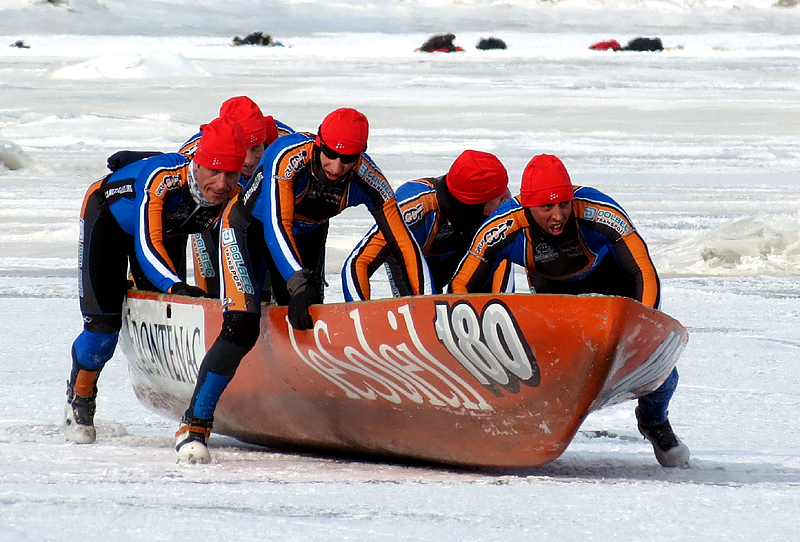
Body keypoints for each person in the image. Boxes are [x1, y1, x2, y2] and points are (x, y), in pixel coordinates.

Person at [175, 107, 432, 463]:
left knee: (306, 323)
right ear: (318, 143)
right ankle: (195, 423)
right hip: (250, 231)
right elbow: (277, 225)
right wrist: (298, 281)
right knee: (241, 325)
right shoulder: (288, 159)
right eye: (330, 154)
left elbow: (403, 240)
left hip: (306, 236)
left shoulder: (369, 177)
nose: (337, 167)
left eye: (348, 159)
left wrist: (428, 305)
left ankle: (299, 406)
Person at [450, 154, 690, 467]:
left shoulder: (597, 210)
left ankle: (654, 423)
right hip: (554, 294)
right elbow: (460, 288)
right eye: (546, 207)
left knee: (660, 373)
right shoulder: (502, 226)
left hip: (614, 289)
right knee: (545, 366)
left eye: (563, 204)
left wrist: (643, 334)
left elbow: (643, 271)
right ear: (526, 206)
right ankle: (514, 422)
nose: (557, 215)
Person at [64, 117, 247, 445]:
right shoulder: (162, 179)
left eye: (231, 174)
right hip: (110, 222)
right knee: (103, 332)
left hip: (168, 229)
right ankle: (81, 393)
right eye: (213, 172)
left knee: (168, 312)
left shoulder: (237, 193)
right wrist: (174, 286)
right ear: (197, 163)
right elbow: (147, 246)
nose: (221, 184)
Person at [342, 149, 513, 301]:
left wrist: (504, 308)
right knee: (426, 314)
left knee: (501, 245)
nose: (508, 198)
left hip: (458, 257)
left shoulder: (496, 212)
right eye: (499, 197)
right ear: (474, 205)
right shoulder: (414, 207)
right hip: (410, 262)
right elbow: (359, 262)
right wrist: (357, 313)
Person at [180, 97, 294, 297]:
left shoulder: (286, 143)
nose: (249, 161)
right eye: (242, 149)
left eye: (257, 148)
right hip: (214, 215)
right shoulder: (196, 150)